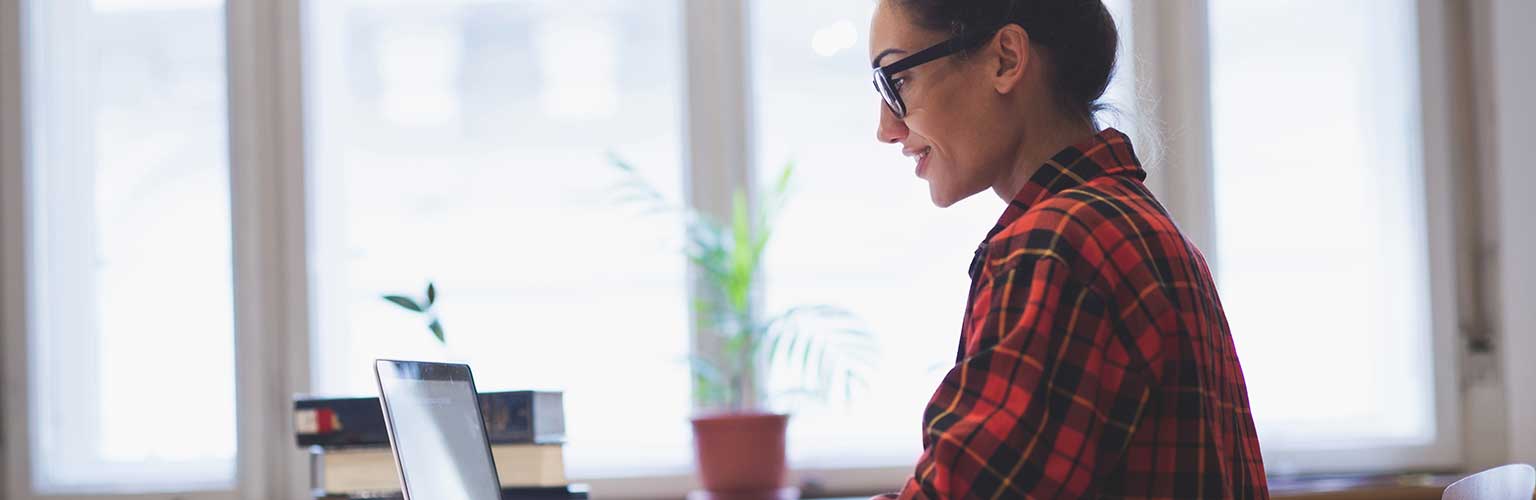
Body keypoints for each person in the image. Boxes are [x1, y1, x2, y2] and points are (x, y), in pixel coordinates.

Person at [867, 0, 1268, 498]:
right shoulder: (1132, 226)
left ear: (1006, 59)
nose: (887, 127)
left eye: (896, 81)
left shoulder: (1059, 246)